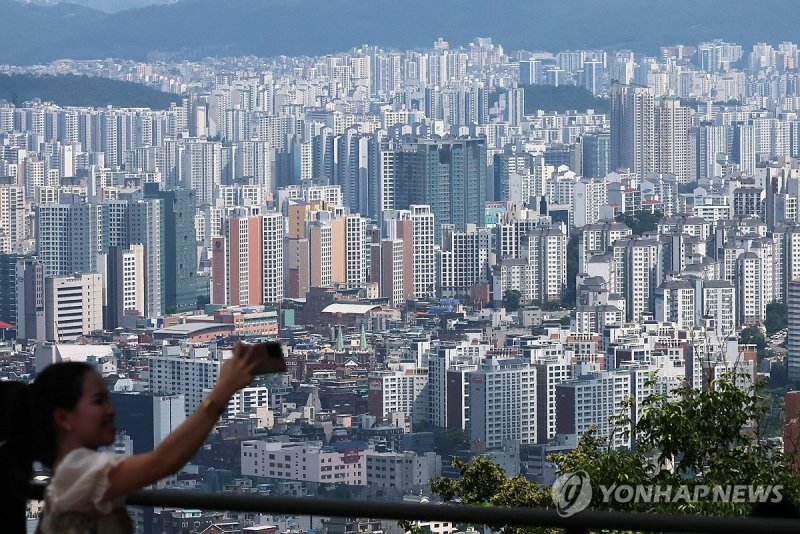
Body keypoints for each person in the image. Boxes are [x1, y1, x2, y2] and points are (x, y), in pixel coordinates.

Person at [0, 341, 286, 534]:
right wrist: (223, 390)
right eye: (98, 401)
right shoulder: (78, 472)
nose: (111, 410)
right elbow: (161, 463)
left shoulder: (67, 475)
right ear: (63, 418)